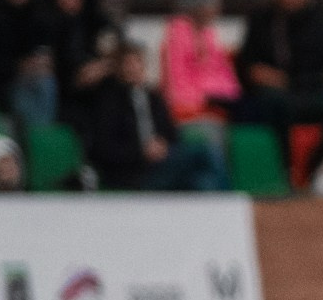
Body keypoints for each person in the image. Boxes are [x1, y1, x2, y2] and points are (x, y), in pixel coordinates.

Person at [84, 42, 228, 191]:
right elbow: (104, 148)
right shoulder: (109, 102)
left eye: (137, 62)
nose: (133, 68)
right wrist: (141, 151)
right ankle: (231, 204)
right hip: (134, 173)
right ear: (118, 68)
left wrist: (163, 146)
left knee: (202, 182)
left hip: (163, 164)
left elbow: (172, 134)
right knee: (207, 152)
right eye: (128, 63)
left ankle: (225, 209)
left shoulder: (153, 98)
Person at [236, 0, 323, 142]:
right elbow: (251, 68)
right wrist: (276, 80)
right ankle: (283, 166)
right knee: (274, 104)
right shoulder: (261, 19)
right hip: (274, 94)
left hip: (312, 92)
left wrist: (299, 81)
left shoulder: (321, 21)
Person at [38, 0, 116, 132]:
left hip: (97, 83)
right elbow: (49, 61)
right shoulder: (47, 22)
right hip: (65, 91)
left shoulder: (94, 21)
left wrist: (101, 67)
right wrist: (77, 76)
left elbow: (115, 46)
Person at [160, 0, 243, 123]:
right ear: (197, 6)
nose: (217, 8)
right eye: (212, 3)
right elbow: (176, 81)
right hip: (189, 106)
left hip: (215, 100)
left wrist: (228, 93)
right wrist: (205, 96)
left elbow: (223, 71)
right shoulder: (177, 34)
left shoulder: (208, 33)